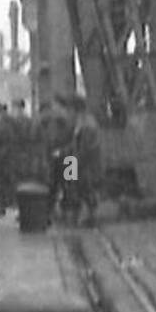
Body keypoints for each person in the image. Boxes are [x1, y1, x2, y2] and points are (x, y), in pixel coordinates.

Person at [63, 93, 103, 225]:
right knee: (74, 188)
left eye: (70, 109)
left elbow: (85, 149)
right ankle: (75, 216)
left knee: (86, 189)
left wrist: (72, 164)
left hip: (85, 165)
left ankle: (90, 217)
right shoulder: (81, 122)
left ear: (76, 109)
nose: (68, 113)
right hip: (76, 162)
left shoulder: (87, 124)